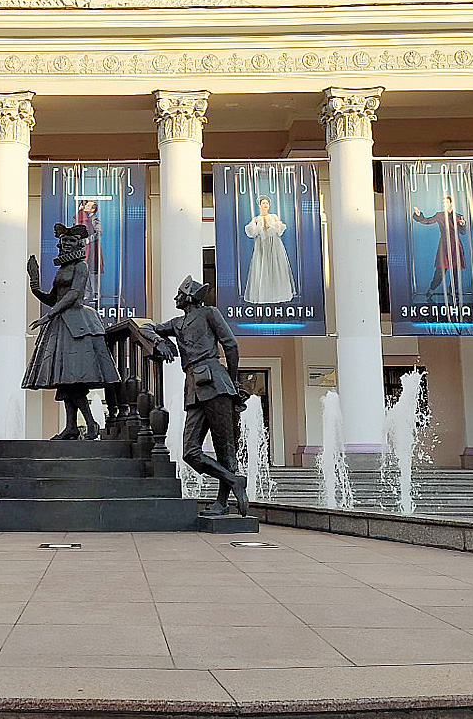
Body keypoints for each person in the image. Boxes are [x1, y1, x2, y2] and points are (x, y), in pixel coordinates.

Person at [142, 276, 249, 517]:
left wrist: (233, 381)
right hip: (193, 386)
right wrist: (160, 341)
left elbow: (230, 345)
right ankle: (234, 480)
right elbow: (146, 327)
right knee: (190, 451)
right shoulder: (178, 323)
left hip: (216, 383)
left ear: (189, 296)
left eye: (179, 294)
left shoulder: (209, 313)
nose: (175, 298)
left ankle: (222, 503)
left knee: (225, 449)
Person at [22, 223, 120, 440]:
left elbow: (74, 295)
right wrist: (34, 281)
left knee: (74, 378)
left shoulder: (81, 267)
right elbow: (52, 298)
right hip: (62, 324)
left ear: (79, 244)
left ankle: (90, 424)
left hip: (77, 325)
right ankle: (72, 427)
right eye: (64, 240)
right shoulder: (62, 269)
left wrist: (48, 316)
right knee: (66, 379)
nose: (66, 244)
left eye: (71, 241)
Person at [242, 196, 295, 304]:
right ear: (259, 205)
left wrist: (271, 225)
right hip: (261, 244)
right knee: (262, 266)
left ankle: (278, 293)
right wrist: (258, 225)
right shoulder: (256, 218)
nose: (265, 205)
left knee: (275, 266)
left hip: (274, 243)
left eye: (267, 203)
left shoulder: (274, 216)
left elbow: (279, 230)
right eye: (263, 203)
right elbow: (252, 232)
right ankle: (263, 294)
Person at [413, 195, 467, 300]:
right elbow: (427, 221)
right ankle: (431, 290)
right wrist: (419, 215)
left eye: (446, 202)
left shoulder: (459, 216)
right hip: (444, 246)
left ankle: (453, 292)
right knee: (440, 272)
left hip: (456, 246)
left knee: (455, 272)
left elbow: (463, 232)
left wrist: (462, 224)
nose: (444, 204)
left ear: (451, 203)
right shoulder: (439, 215)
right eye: (443, 202)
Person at [75, 200, 103, 305]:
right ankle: (87, 292)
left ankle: (95, 293)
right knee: (85, 270)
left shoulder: (94, 220)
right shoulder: (84, 218)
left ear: (92, 209)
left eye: (88, 205)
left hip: (93, 248)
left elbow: (99, 232)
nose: (85, 206)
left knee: (93, 272)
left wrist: (89, 239)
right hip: (86, 249)